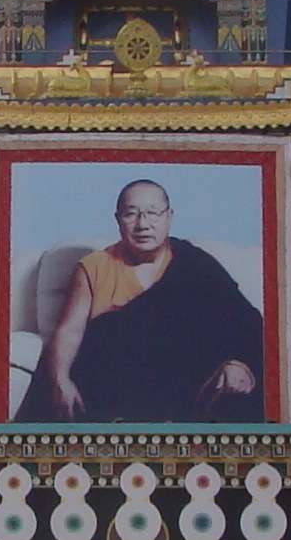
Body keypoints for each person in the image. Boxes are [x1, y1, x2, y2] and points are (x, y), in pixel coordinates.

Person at [16, 179, 264, 422]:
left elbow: (244, 321)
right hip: (114, 388)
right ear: (117, 219)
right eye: (131, 214)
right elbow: (69, 331)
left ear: (169, 216)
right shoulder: (94, 267)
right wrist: (60, 379)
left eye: (153, 213)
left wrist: (238, 363)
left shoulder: (194, 263)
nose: (143, 224)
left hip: (185, 383)